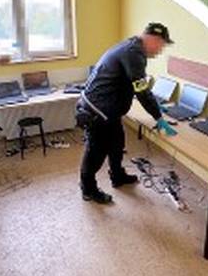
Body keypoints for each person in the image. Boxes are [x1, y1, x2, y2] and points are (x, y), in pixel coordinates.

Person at [75, 22, 179, 204]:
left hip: (108, 109)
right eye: (161, 45)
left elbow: (136, 84)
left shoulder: (130, 47)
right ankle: (88, 189)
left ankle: (117, 175)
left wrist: (155, 103)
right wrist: (158, 117)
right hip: (97, 111)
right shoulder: (134, 54)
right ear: (152, 39)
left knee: (117, 143)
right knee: (95, 152)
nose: (160, 50)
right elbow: (141, 89)